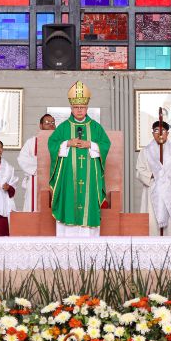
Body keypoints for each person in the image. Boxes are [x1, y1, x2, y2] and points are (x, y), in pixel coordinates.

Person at [48, 81, 111, 237]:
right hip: (68, 179)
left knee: (88, 203)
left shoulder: (96, 127)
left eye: (82, 107)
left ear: (87, 108)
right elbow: (52, 144)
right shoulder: (63, 127)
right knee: (69, 200)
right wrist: (67, 143)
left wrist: (90, 144)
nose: (79, 110)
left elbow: (105, 144)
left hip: (90, 180)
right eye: (76, 107)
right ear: (71, 108)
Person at [136, 118, 171, 236]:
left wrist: (164, 180)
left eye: (163, 131)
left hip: (169, 191)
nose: (160, 133)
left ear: (167, 133)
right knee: (152, 223)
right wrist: (153, 175)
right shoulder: (146, 151)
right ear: (152, 133)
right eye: (156, 131)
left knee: (170, 226)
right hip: (152, 189)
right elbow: (139, 171)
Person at [17, 114, 56, 212]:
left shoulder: (59, 142)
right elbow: (22, 159)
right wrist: (42, 166)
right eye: (47, 123)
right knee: (33, 209)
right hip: (35, 179)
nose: (51, 125)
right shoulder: (31, 142)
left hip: (54, 180)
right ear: (40, 125)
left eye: (53, 123)